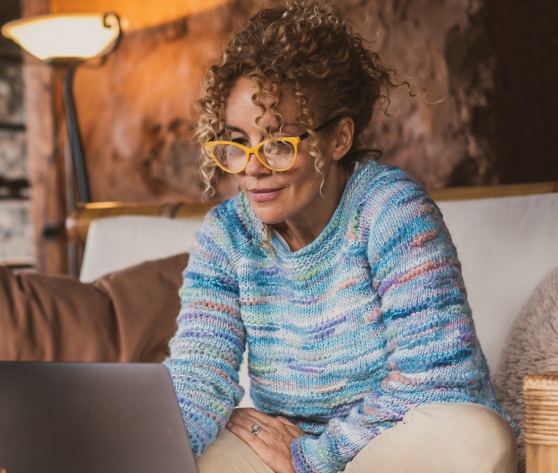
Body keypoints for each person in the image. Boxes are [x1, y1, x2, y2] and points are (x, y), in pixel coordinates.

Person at [163, 2, 518, 472]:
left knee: (478, 438)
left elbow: (439, 381)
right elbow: (197, 377)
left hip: (388, 444)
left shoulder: (391, 210)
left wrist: (314, 456)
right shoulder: (226, 236)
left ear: (338, 139)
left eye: (277, 143)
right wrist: (149, 448)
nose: (252, 168)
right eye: (238, 142)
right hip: (287, 452)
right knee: (195, 454)